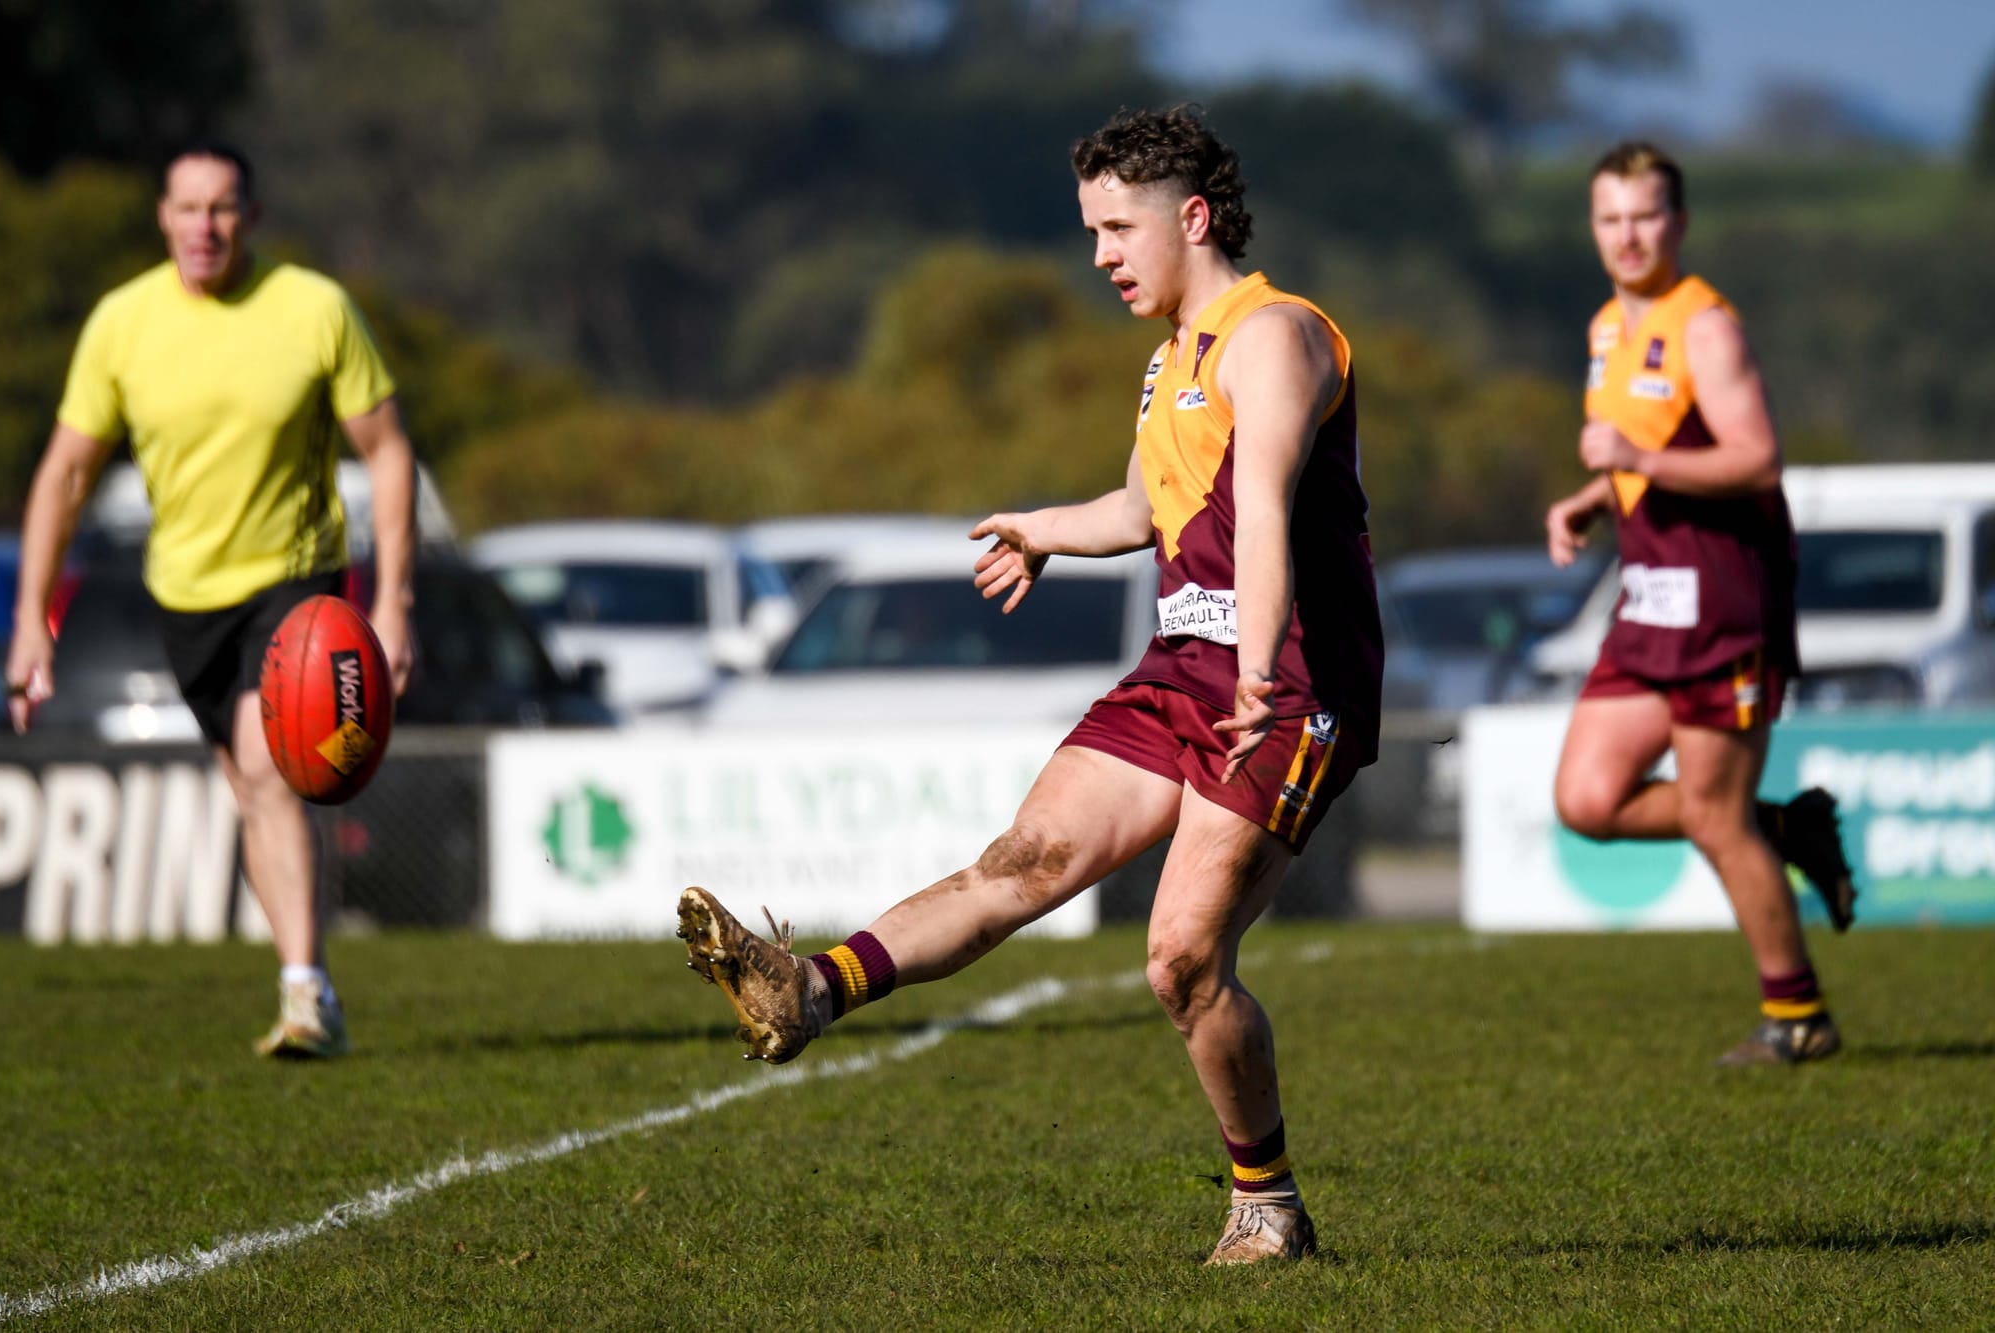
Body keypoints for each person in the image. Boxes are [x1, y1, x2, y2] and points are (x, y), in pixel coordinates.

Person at [675, 105, 1382, 1266]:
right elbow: (1150, 507)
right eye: (1089, 229)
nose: (1099, 254)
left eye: (1116, 227)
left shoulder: (1276, 336)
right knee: (1021, 864)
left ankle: (1267, 1203)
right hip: (1183, 668)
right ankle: (811, 988)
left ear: (1190, 218)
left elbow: (1260, 510)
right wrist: (1045, 530)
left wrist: (1257, 668)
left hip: (1284, 680)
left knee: (1179, 961)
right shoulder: (1170, 363)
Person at [6, 141, 417, 1059]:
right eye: (189, 208)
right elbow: (67, 472)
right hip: (185, 598)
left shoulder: (313, 309)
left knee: (270, 774)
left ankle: (305, 992)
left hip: (297, 585)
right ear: (162, 216)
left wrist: (394, 600)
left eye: (223, 208)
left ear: (252, 218)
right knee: (248, 787)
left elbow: (387, 450)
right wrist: (32, 615)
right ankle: (310, 983)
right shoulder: (122, 323)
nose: (205, 227)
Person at [1542, 141, 1856, 1067]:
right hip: (1649, 595)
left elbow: (1755, 456)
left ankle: (1798, 1017)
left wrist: (1633, 463)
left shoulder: (1704, 326)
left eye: (1645, 216)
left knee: (1714, 819)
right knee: (1587, 797)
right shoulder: (1607, 326)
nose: (1628, 235)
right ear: (1594, 228)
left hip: (1724, 599)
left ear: (1677, 224)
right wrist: (1595, 498)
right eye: (1611, 218)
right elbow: (1647, 444)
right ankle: (1782, 827)